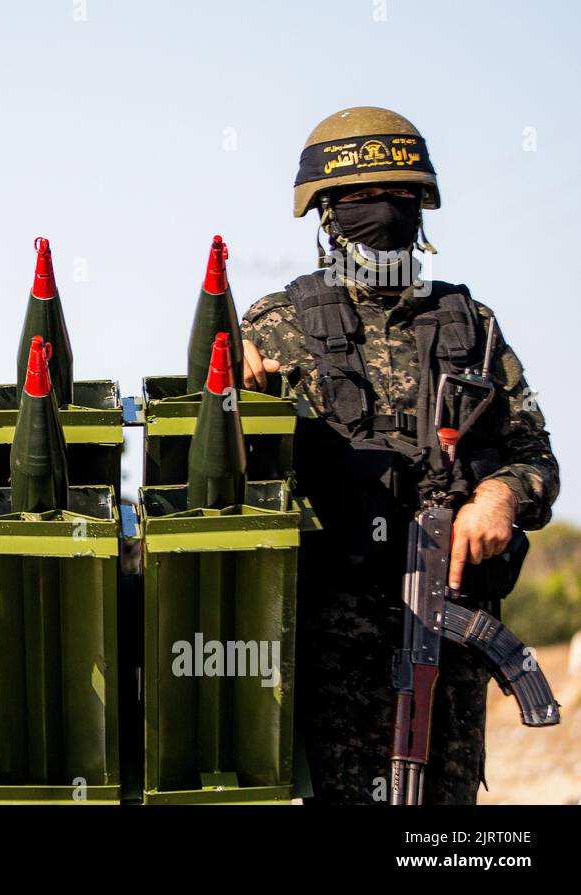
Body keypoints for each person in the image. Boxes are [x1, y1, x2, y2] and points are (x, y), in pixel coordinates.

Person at [239, 108, 559, 804]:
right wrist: (235, 395)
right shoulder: (278, 323)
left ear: (421, 210)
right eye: (358, 200)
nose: (380, 212)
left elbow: (536, 457)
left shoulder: (473, 328)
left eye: (399, 197)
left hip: (451, 639)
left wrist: (499, 496)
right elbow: (234, 471)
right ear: (326, 214)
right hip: (330, 644)